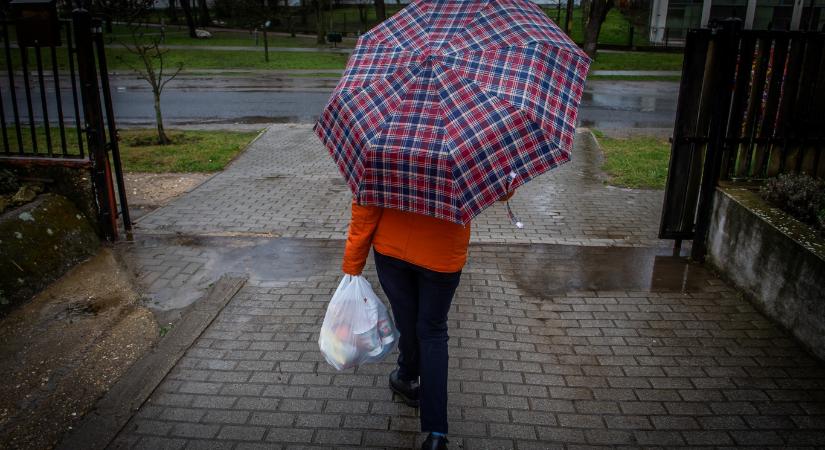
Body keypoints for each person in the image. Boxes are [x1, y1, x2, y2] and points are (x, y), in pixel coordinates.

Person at [341, 193, 513, 450]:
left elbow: (366, 203)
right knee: (432, 332)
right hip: (442, 253)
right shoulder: (463, 152)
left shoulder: (386, 150)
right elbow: (501, 190)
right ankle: (436, 434)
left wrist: (353, 263)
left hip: (393, 249)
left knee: (407, 321)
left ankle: (408, 378)